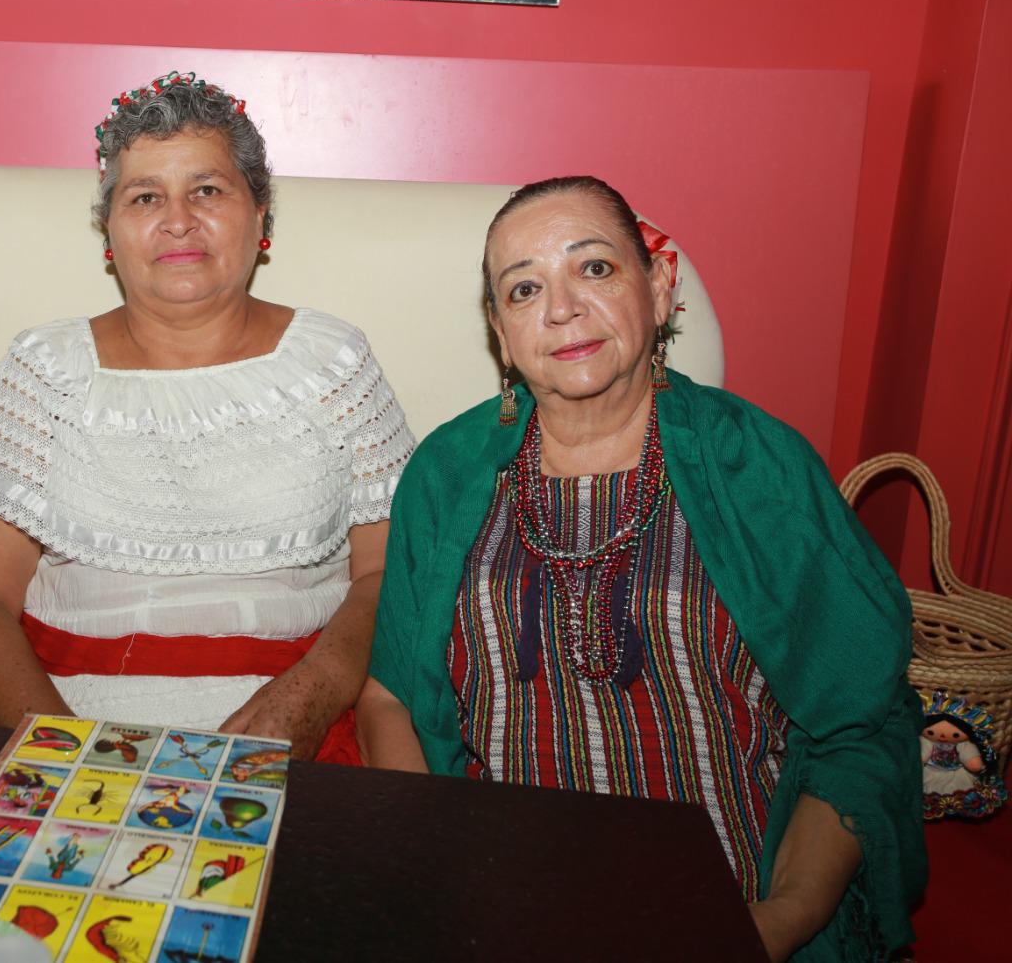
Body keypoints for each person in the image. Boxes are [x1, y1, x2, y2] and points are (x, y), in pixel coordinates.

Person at [358, 176, 924, 961]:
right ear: (500, 330)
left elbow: (861, 728)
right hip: (500, 897)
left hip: (735, 904)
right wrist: (443, 872)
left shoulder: (759, 467)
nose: (560, 309)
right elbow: (388, 697)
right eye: (525, 289)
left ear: (659, 290)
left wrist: (775, 923)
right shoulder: (446, 474)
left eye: (594, 269)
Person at [0, 72, 415, 758]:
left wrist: (312, 693)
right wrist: (70, 759)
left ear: (261, 215)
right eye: (145, 196)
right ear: (110, 231)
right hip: (58, 726)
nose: (178, 220)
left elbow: (389, 578)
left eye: (207, 191)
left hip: (299, 733)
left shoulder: (334, 361)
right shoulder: (45, 369)